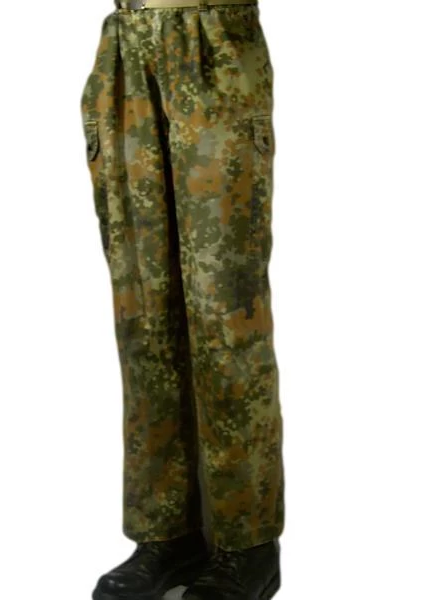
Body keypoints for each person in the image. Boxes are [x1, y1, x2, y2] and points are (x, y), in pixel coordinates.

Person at [80, 1, 284, 598]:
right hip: (125, 45)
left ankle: (248, 545)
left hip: (211, 37)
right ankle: (167, 533)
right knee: (143, 310)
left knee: (227, 314)